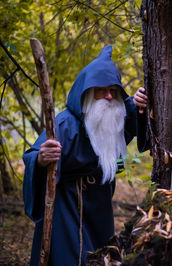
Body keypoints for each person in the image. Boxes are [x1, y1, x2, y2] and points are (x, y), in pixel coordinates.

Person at [23, 46, 148, 266]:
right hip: (67, 207)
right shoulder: (64, 124)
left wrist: (139, 103)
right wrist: (42, 158)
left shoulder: (114, 114)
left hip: (99, 207)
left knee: (100, 257)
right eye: (101, 90)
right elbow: (33, 155)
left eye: (113, 90)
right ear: (87, 93)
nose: (109, 96)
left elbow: (130, 113)